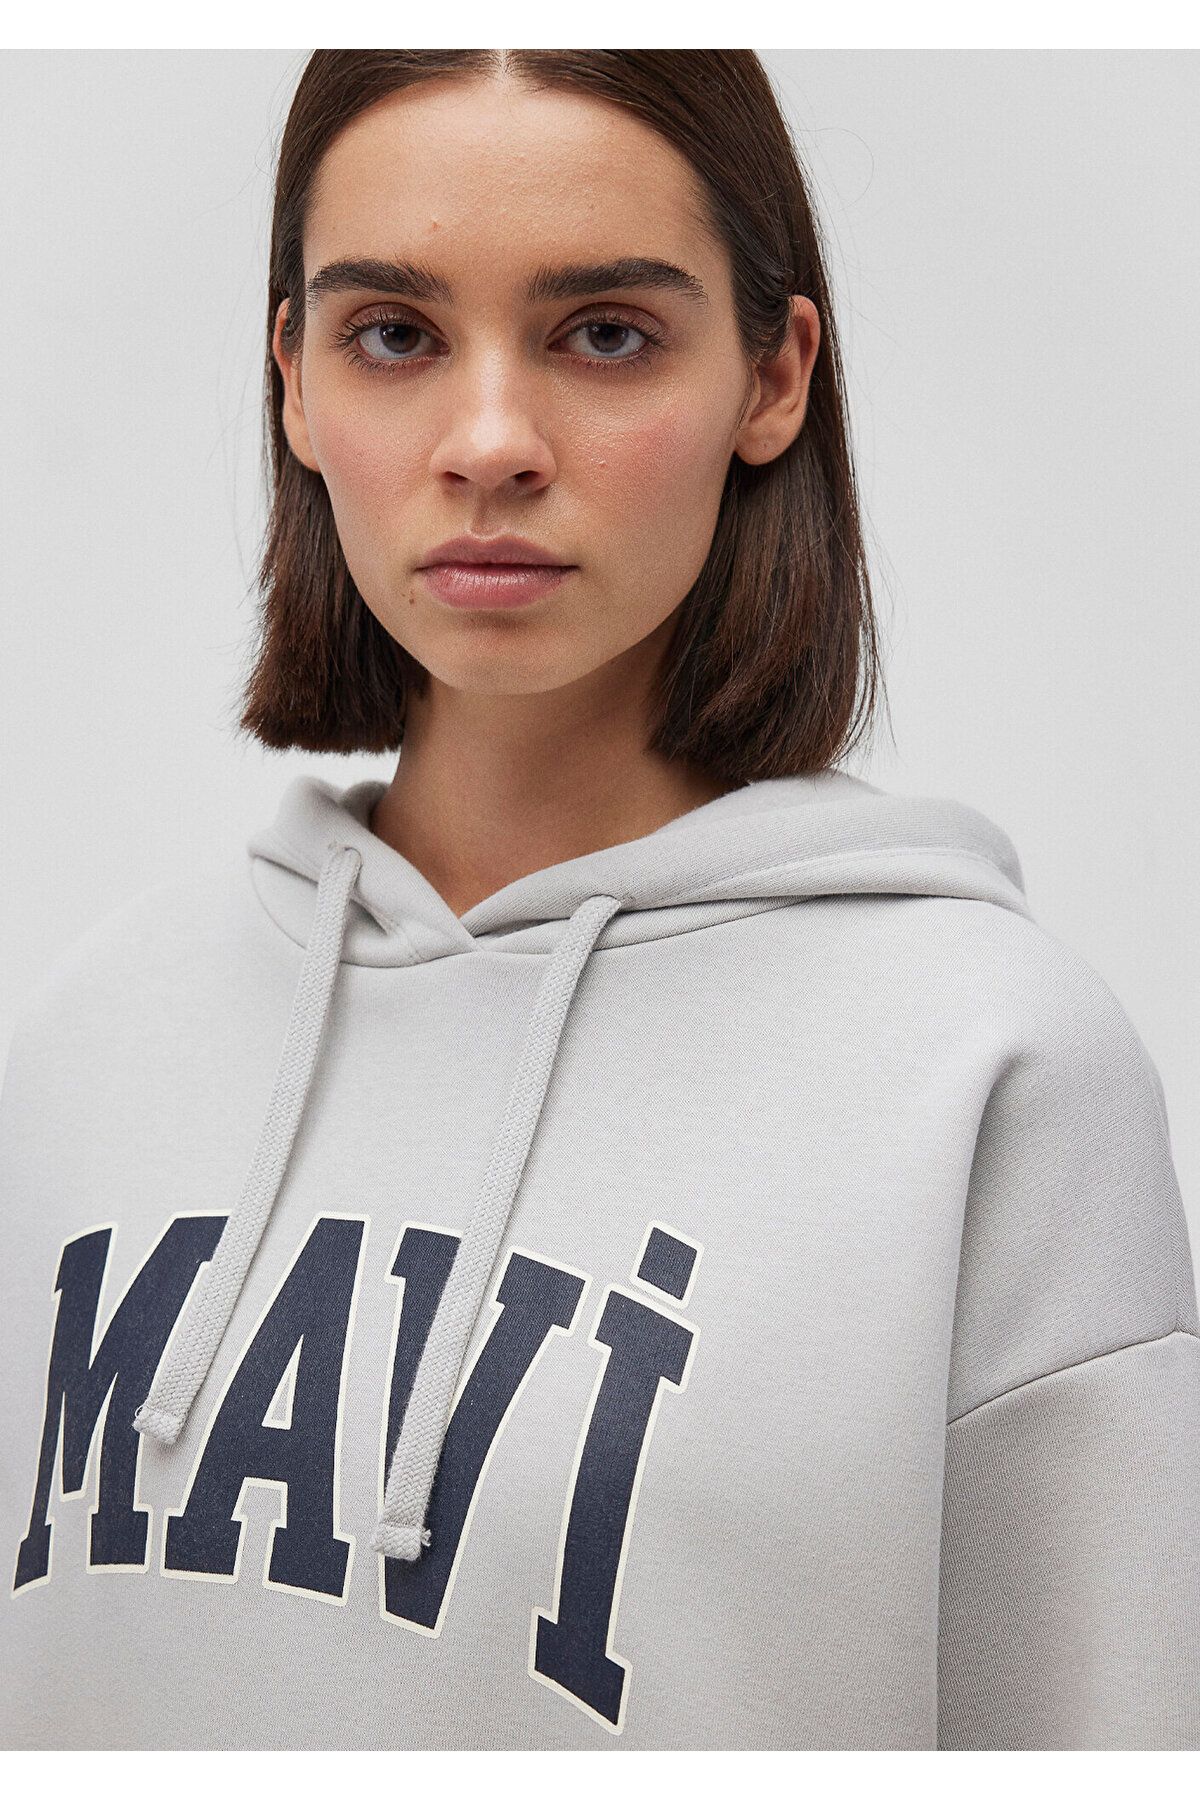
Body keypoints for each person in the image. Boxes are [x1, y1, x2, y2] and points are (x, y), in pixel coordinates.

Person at [2, 48, 1197, 1754]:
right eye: (393, 335)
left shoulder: (987, 1073)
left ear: (772, 377)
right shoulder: (89, 1042)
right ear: (294, 382)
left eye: (606, 334)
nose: (491, 443)